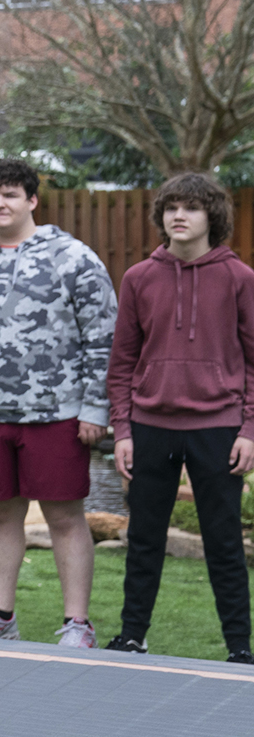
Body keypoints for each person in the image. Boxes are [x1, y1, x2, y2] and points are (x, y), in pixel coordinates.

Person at [0, 158, 114, 649]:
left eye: (9, 194)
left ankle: (78, 625)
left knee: (66, 518)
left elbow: (103, 339)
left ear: (32, 200)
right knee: (1, 516)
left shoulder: (73, 258)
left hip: (56, 415)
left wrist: (96, 408)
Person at [103, 172, 254, 662]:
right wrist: (122, 429)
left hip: (218, 427)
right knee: (143, 539)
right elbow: (122, 361)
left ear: (212, 215)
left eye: (190, 207)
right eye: (170, 208)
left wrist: (250, 429)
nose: (178, 216)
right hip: (151, 426)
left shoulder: (239, 279)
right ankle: (132, 637)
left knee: (224, 542)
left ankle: (239, 648)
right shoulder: (139, 278)